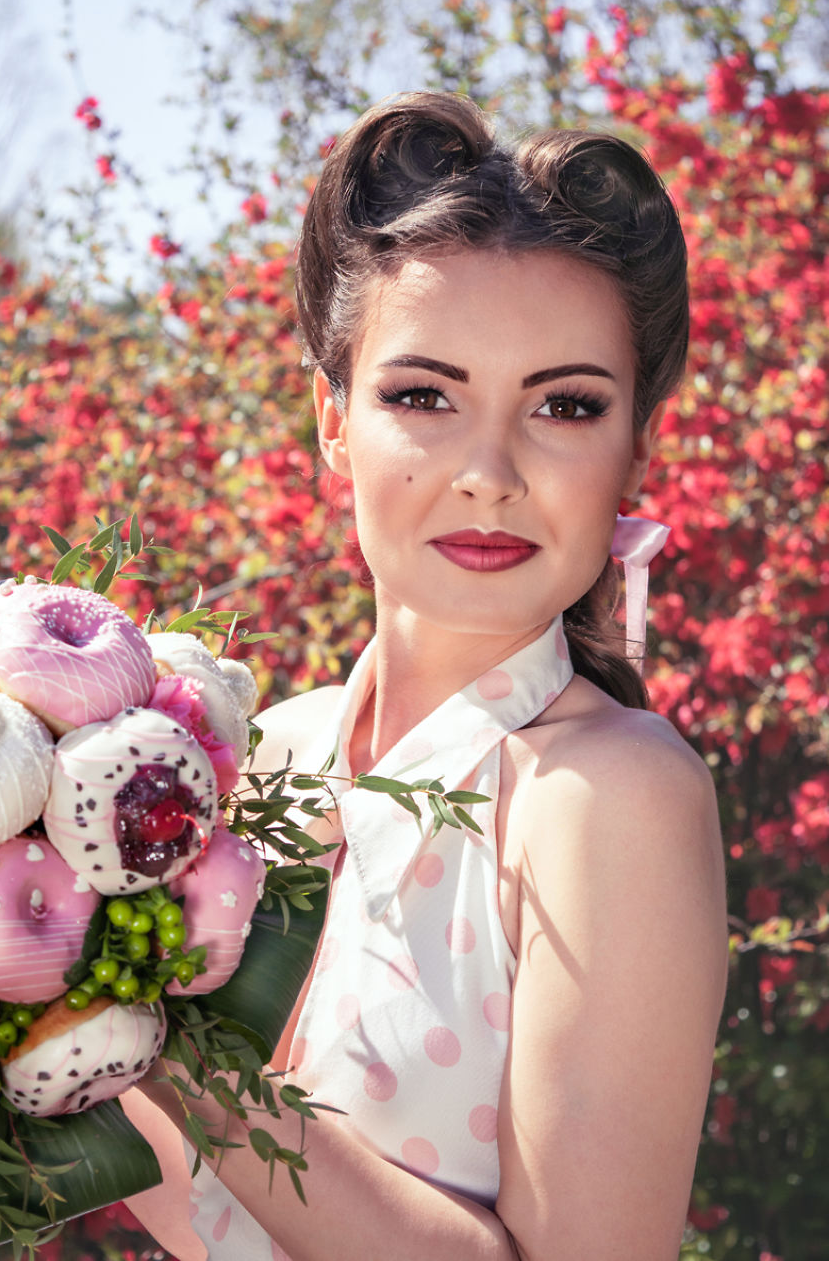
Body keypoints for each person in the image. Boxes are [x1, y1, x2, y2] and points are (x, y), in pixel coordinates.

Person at [123, 91, 728, 1261]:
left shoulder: (608, 797)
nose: (488, 472)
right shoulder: (252, 758)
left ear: (634, 440)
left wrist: (182, 1057)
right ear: (333, 418)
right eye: (422, 395)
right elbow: (203, 1219)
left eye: (563, 404)